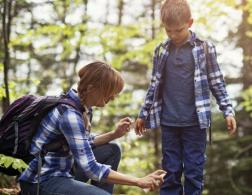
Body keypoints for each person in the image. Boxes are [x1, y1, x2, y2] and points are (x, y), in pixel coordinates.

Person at [134, 0, 237, 195]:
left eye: (178, 30)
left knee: (193, 172)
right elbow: (154, 86)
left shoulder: (205, 49)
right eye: (168, 31)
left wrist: (227, 111)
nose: (173, 35)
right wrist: (143, 113)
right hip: (169, 123)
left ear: (190, 23)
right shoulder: (161, 50)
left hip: (195, 124)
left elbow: (217, 83)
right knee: (170, 173)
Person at [19, 61, 166, 195]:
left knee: (112, 149)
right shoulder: (70, 114)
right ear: (91, 88)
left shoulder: (83, 108)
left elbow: (84, 143)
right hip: (41, 180)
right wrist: (138, 181)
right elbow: (91, 168)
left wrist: (114, 134)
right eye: (110, 91)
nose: (113, 97)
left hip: (64, 171)